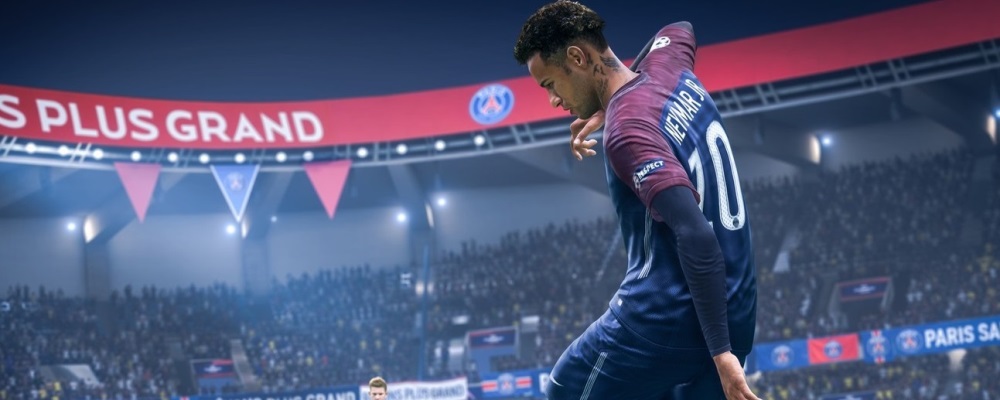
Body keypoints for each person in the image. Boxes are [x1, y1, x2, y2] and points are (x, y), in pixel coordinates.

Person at [513, 2, 759, 399]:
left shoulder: (627, 131)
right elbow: (680, 26)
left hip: (667, 321)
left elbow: (696, 236)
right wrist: (608, 99)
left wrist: (721, 353)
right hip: (738, 311)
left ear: (578, 58)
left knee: (565, 388)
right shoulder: (669, 67)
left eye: (550, 84)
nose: (553, 101)